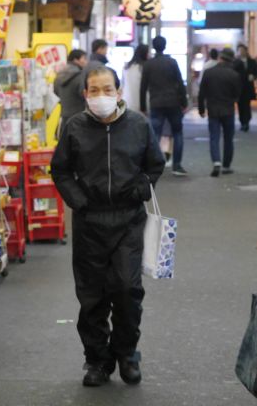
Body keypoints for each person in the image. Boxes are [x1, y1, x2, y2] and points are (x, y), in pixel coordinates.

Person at [51, 66, 165, 389]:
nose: (101, 96)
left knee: (128, 291)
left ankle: (127, 353)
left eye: (107, 89)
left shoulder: (138, 125)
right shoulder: (74, 127)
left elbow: (155, 164)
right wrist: (79, 201)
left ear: (118, 92)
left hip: (128, 220)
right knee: (91, 297)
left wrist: (142, 189)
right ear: (85, 94)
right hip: (89, 222)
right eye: (94, 90)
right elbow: (60, 170)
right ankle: (97, 360)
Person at [140, 35, 189, 176]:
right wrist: (184, 103)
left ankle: (154, 165)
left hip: (156, 103)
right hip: (173, 102)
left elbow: (143, 87)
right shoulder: (172, 62)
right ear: (165, 46)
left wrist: (143, 106)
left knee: (155, 134)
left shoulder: (148, 64)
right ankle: (177, 165)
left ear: (153, 47)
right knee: (177, 133)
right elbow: (180, 83)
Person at [197, 48, 241, 177]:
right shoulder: (234, 75)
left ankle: (216, 161)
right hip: (228, 109)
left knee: (214, 137)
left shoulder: (209, 73)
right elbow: (237, 94)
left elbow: (202, 93)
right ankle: (226, 166)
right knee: (228, 139)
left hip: (213, 110)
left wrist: (201, 109)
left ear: (220, 58)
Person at [54, 49, 94, 127]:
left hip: (64, 116)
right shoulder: (79, 76)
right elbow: (84, 95)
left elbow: (56, 91)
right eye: (84, 58)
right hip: (79, 117)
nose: (86, 61)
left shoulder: (59, 75)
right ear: (76, 60)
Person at [232, 44, 257, 131]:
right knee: (240, 105)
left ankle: (246, 122)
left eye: (243, 50)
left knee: (247, 105)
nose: (241, 52)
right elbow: (233, 71)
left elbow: (256, 72)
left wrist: (253, 76)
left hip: (248, 87)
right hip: (239, 87)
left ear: (246, 51)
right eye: (240, 50)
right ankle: (242, 122)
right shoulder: (235, 62)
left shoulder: (252, 61)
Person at [122, 44, 149, 112]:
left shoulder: (126, 67)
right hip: (143, 102)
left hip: (127, 101)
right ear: (145, 54)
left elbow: (122, 85)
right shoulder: (145, 67)